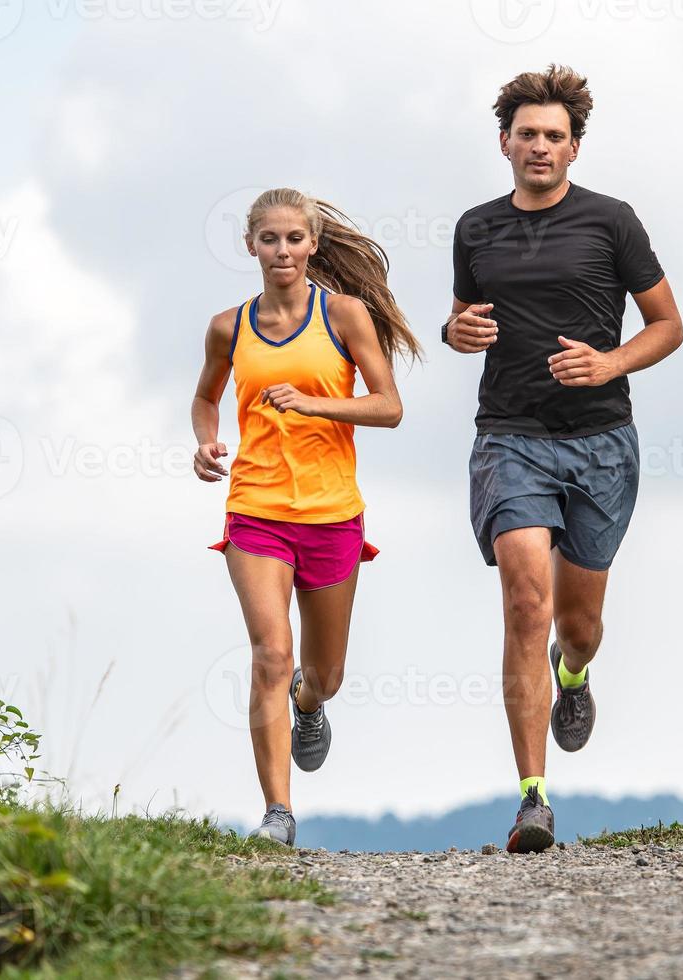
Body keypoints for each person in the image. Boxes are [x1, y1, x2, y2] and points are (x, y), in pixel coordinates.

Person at [443, 66, 683, 853]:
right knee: (523, 602)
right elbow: (459, 320)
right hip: (509, 436)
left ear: (574, 147)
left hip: (602, 443)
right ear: (504, 142)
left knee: (577, 625)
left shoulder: (612, 222)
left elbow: (667, 325)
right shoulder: (475, 228)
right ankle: (533, 800)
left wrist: (611, 364)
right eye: (527, 134)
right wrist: (457, 335)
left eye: (554, 135)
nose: (539, 146)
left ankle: (572, 675)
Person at [192, 188, 421, 846]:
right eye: (270, 239)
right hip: (257, 509)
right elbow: (205, 398)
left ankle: (308, 705)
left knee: (323, 674)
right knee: (270, 652)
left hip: (332, 513)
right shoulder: (227, 327)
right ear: (250, 246)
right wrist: (206, 442)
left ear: (313, 243)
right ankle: (277, 814)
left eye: (294, 239)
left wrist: (318, 407)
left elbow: (388, 407)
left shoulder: (345, 315)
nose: (283, 251)